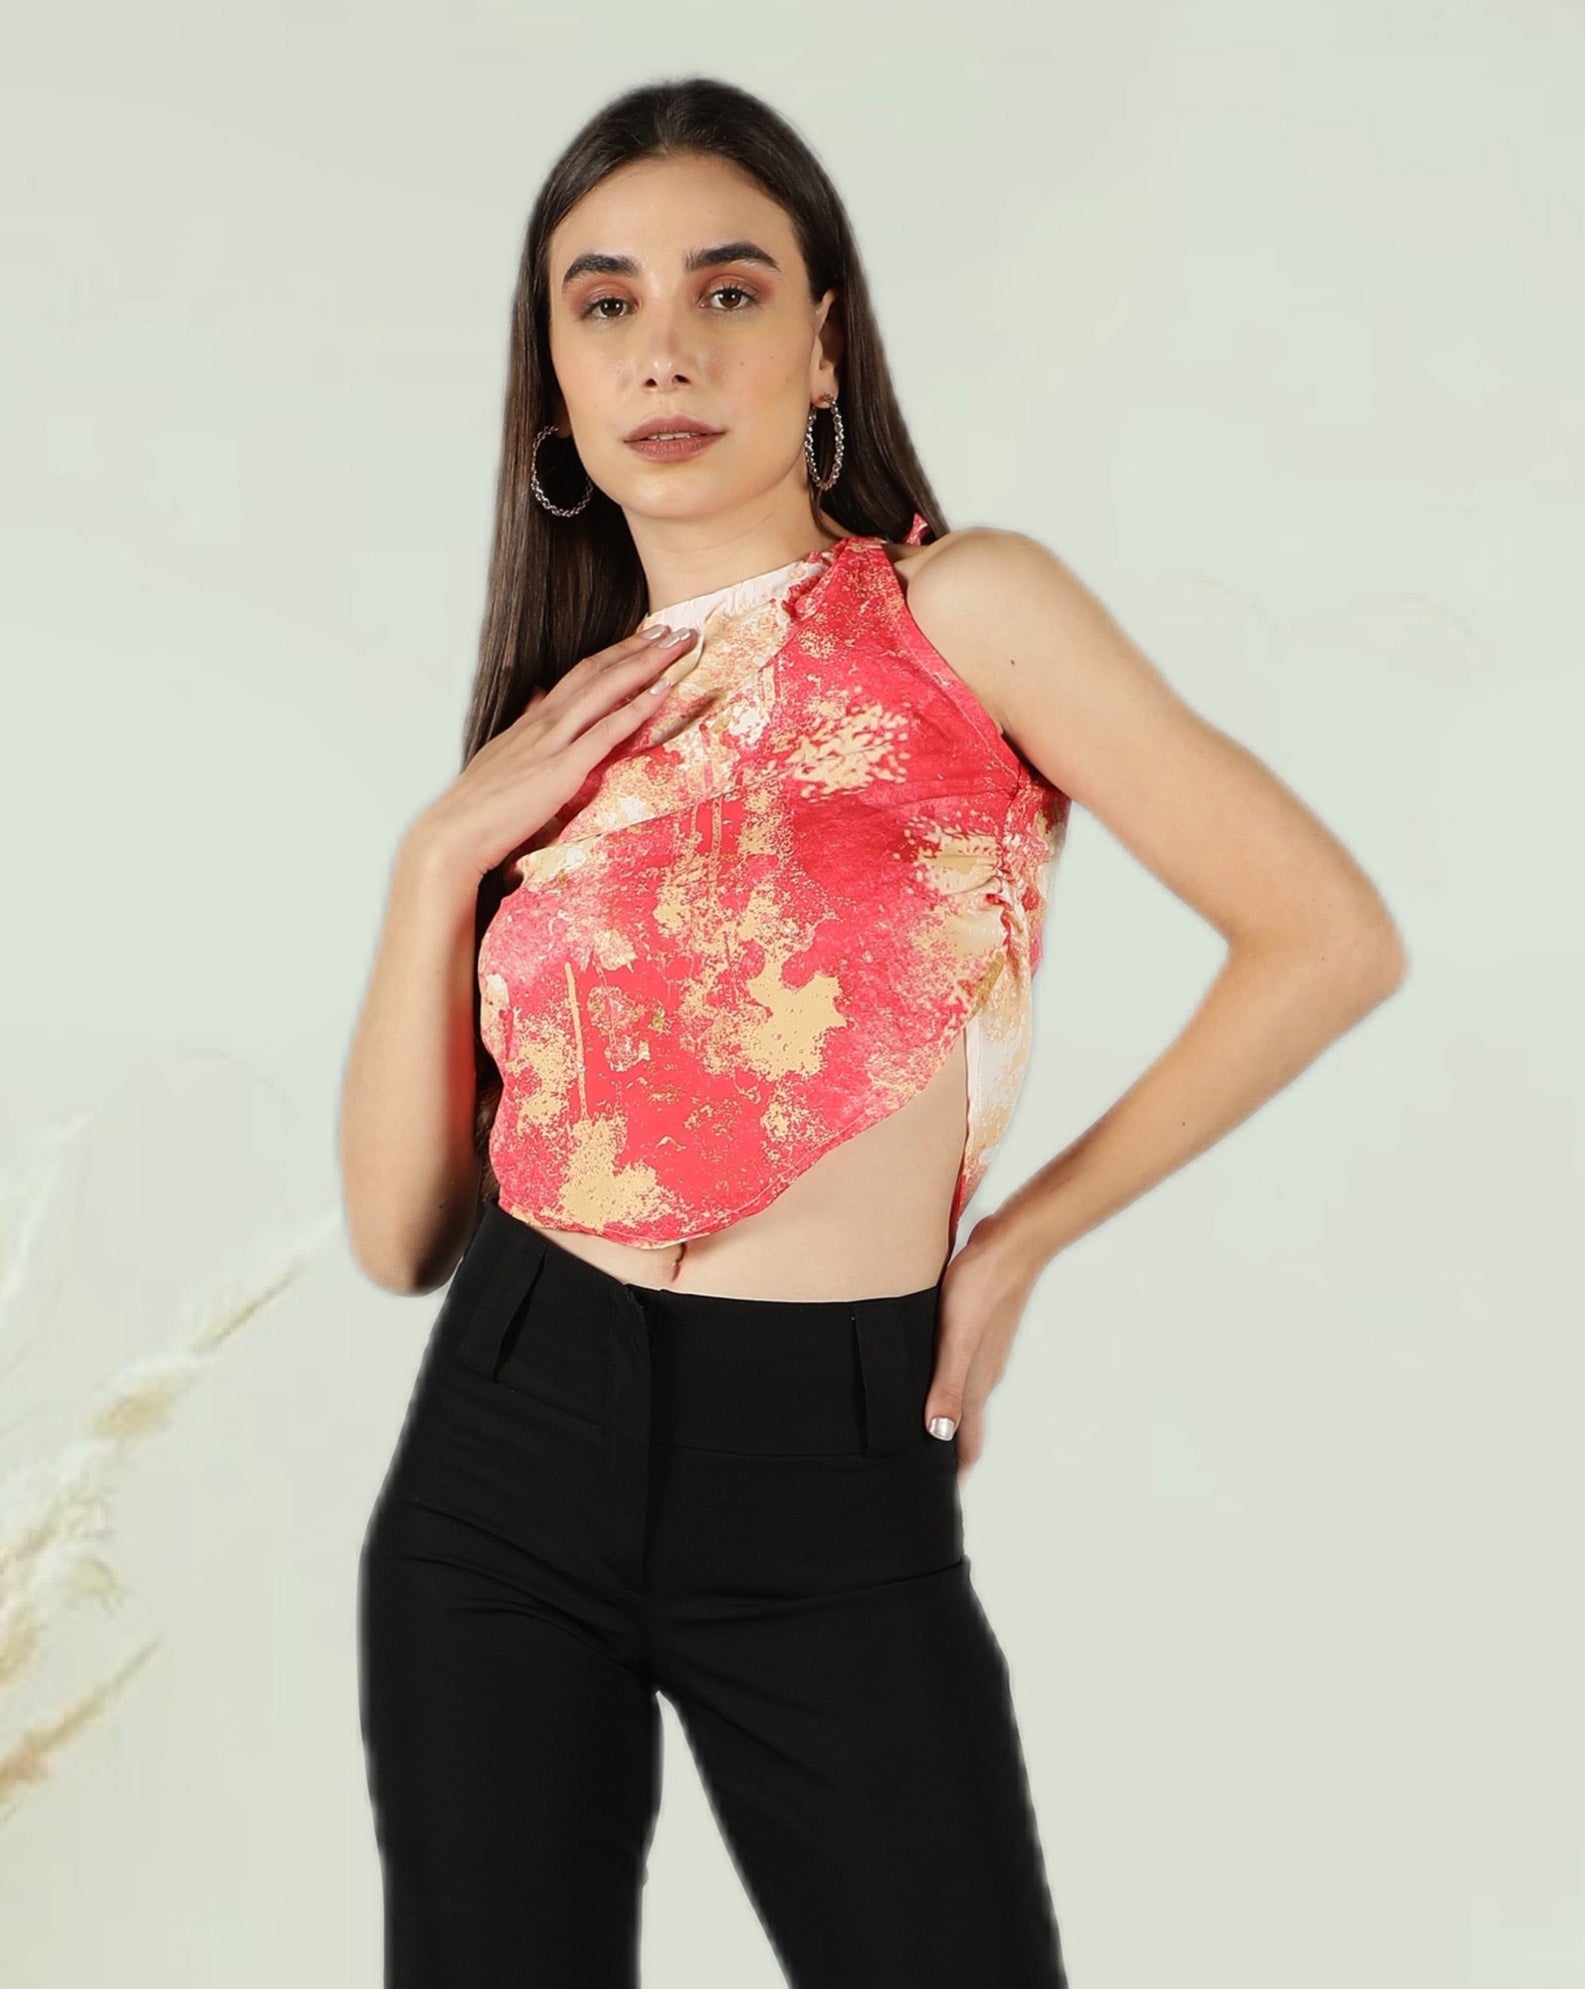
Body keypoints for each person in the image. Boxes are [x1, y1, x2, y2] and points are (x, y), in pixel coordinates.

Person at [338, 75, 1408, 1989]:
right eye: (603, 302)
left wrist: (1016, 1243)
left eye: (728, 290)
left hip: (824, 1460)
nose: (665, 349)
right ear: (553, 382)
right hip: (505, 1441)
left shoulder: (958, 609)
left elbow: (1323, 938)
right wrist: (439, 856)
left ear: (823, 342)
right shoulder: (554, 724)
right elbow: (396, 1233)